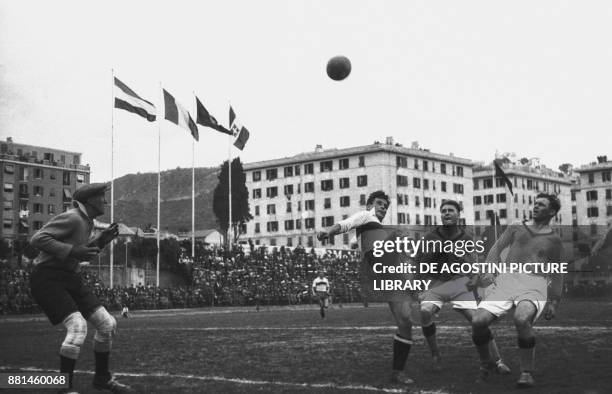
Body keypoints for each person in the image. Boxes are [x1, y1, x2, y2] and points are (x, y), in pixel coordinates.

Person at [29, 183, 132, 393]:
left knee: (107, 324)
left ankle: (102, 379)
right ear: (90, 200)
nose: (105, 201)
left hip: (70, 276)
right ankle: (64, 389)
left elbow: (81, 252)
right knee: (77, 328)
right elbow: (37, 238)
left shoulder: (87, 221)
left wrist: (101, 242)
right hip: (47, 277)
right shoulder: (74, 217)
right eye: (102, 197)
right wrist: (73, 251)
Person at [317, 190, 416, 385]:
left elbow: (358, 241)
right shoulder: (365, 216)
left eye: (385, 206)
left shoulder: (377, 228)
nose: (383, 208)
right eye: (379, 204)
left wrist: (357, 243)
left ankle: (398, 372)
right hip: (387, 271)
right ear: (370, 205)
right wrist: (328, 232)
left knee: (406, 321)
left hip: (393, 273)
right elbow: (346, 224)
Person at [471, 193, 564, 388]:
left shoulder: (555, 240)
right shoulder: (515, 226)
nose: (535, 206)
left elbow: (557, 272)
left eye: (541, 204)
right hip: (507, 281)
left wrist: (554, 301)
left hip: (534, 284)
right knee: (478, 321)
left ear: (552, 211)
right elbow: (496, 249)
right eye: (535, 203)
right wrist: (488, 271)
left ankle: (526, 372)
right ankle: (486, 363)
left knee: (521, 319)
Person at [416, 200, 510, 374]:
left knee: (478, 321)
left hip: (460, 283)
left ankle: (497, 361)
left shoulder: (466, 238)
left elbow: (474, 263)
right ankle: (435, 354)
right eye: (443, 210)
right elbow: (418, 263)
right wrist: (420, 287)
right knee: (425, 311)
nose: (446, 213)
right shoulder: (430, 237)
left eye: (451, 210)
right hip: (436, 283)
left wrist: (475, 279)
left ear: (458, 214)